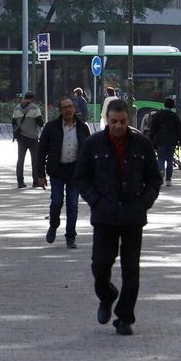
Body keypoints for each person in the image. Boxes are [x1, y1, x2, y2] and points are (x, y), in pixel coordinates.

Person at [73, 99, 162, 337]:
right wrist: (97, 201)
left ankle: (125, 318)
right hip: (105, 216)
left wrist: (143, 203)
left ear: (128, 120)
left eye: (122, 121)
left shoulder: (141, 144)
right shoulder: (93, 144)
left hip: (133, 216)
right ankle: (107, 296)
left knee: (130, 270)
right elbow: (81, 178)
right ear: (107, 120)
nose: (118, 126)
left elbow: (154, 179)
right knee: (100, 265)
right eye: (114, 121)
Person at [35, 96, 90, 248]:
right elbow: (41, 152)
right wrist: (40, 175)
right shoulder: (51, 127)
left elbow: (89, 152)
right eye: (64, 107)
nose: (68, 109)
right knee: (57, 202)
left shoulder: (83, 128)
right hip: (57, 170)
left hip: (75, 172)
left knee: (72, 204)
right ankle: (53, 225)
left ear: (74, 108)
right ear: (59, 111)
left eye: (70, 106)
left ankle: (70, 236)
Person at [145, 96, 181, 185]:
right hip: (171, 141)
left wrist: (150, 141)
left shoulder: (157, 116)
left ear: (164, 104)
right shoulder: (175, 116)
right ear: (172, 106)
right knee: (170, 159)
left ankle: (161, 170)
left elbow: (153, 130)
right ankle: (168, 180)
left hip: (160, 140)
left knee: (161, 159)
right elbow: (179, 131)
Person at [11, 92, 44, 188]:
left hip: (21, 137)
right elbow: (40, 123)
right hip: (33, 137)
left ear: (24, 98)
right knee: (35, 159)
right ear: (33, 98)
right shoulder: (35, 108)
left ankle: (20, 181)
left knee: (20, 159)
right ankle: (35, 181)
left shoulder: (17, 108)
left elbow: (13, 122)